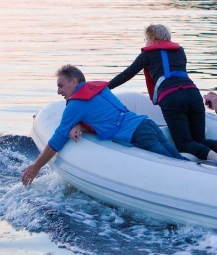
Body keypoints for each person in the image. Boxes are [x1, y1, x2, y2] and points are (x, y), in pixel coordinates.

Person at [21, 64, 184, 186]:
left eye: (61, 86)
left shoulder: (76, 105)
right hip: (147, 124)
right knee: (180, 162)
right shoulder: (99, 90)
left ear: (74, 81)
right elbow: (105, 117)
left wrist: (36, 167)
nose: (58, 92)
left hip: (139, 134)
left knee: (177, 170)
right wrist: (80, 125)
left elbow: (57, 140)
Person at [107, 24, 217, 166]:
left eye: (146, 39)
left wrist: (105, 87)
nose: (146, 43)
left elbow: (127, 74)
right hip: (193, 93)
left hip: (172, 98)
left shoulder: (147, 55)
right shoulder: (179, 51)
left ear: (153, 39)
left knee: (184, 144)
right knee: (199, 139)